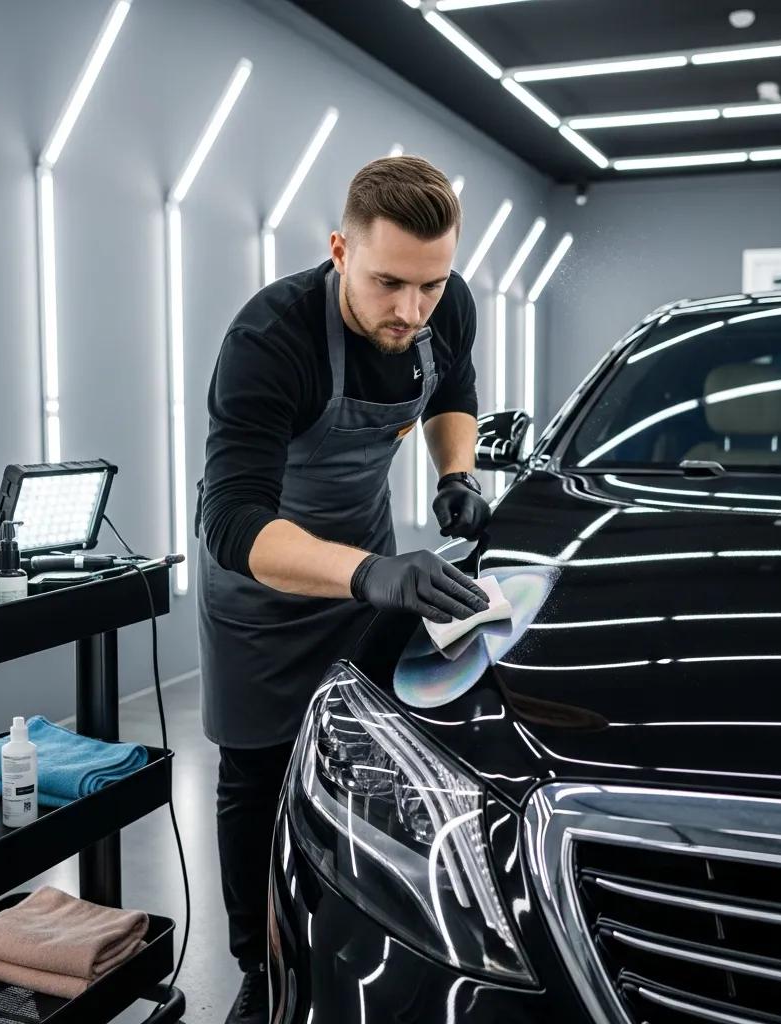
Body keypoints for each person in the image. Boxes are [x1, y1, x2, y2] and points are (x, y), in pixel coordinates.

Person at [196, 156, 492, 1024]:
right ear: (338, 250)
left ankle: (365, 934)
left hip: (372, 572)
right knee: (256, 775)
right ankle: (258, 964)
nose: (411, 310)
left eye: (430, 286)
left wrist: (455, 474)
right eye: (388, 282)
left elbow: (456, 390)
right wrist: (369, 574)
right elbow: (234, 524)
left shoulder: (446, 303)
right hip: (264, 590)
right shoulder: (270, 341)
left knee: (371, 760)